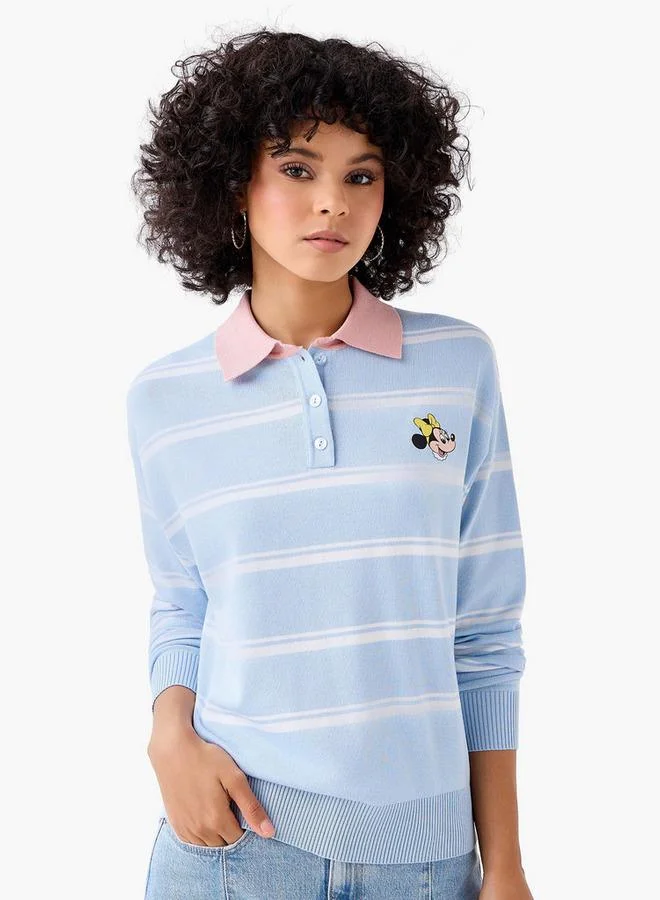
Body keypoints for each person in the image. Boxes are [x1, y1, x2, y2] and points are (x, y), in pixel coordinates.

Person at [127, 27, 534, 900]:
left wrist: (505, 865)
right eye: (297, 168)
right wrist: (169, 733)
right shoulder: (164, 399)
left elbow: (486, 633)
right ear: (232, 182)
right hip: (229, 848)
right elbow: (183, 605)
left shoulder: (457, 366)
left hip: (421, 864)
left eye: (361, 176)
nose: (332, 204)